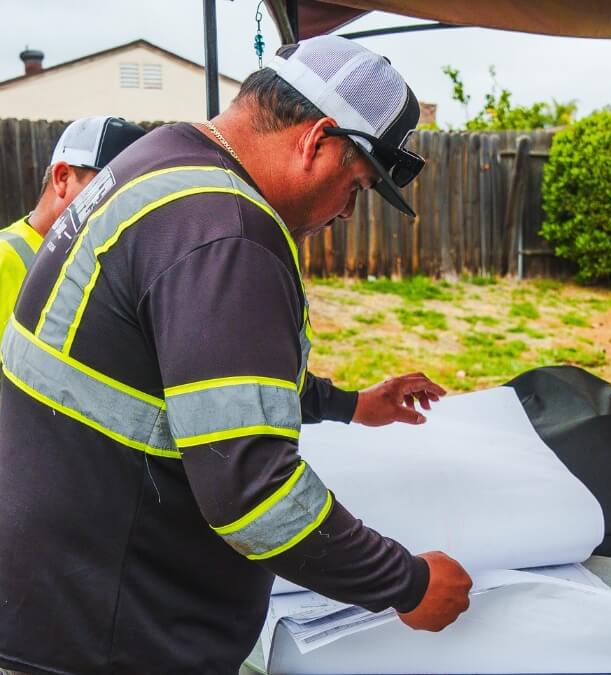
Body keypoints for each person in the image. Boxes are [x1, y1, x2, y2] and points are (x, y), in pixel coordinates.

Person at [0, 35, 472, 675]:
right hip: (105, 634)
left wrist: (353, 404)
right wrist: (409, 584)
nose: (343, 214)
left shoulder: (161, 162)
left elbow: (191, 374)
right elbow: (253, 493)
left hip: (52, 600)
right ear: (317, 139)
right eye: (355, 186)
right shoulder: (228, 230)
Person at [0, 116, 145, 337]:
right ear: (62, 178)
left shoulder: (99, 258)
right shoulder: (5, 257)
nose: (122, 208)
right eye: (107, 191)